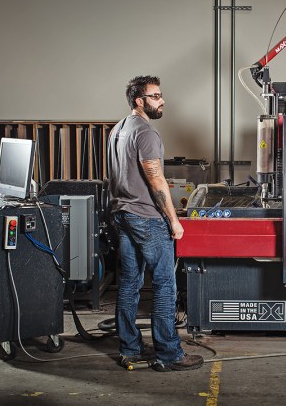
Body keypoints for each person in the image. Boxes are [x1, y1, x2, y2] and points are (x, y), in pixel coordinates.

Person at [107, 75, 203, 372]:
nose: (162, 100)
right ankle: (168, 354)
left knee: (130, 284)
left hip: (122, 215)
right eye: (155, 96)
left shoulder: (118, 129)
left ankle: (131, 349)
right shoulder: (146, 133)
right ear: (140, 100)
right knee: (164, 285)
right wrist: (174, 221)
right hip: (147, 218)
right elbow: (156, 180)